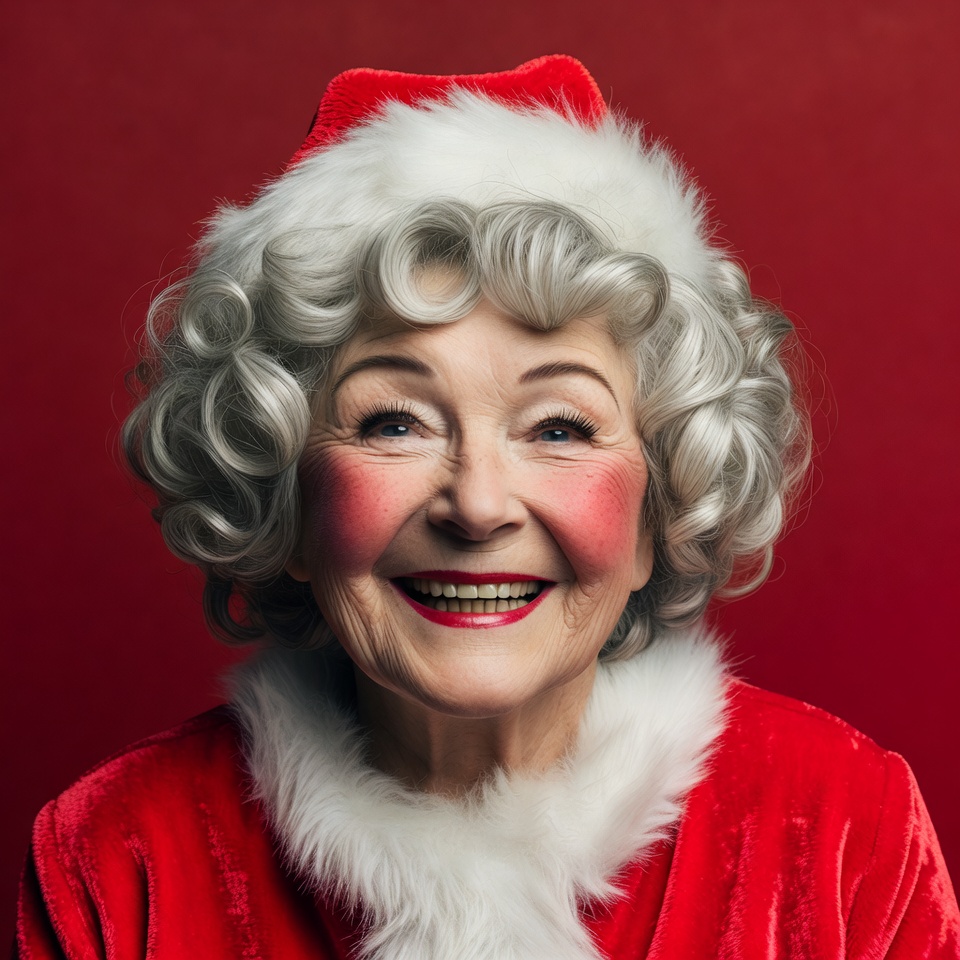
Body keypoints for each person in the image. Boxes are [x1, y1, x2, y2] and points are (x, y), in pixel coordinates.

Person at [16, 55, 959, 959]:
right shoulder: (112, 861)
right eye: (393, 423)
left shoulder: (844, 834)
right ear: (285, 496)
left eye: (558, 427)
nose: (476, 504)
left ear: (658, 504)